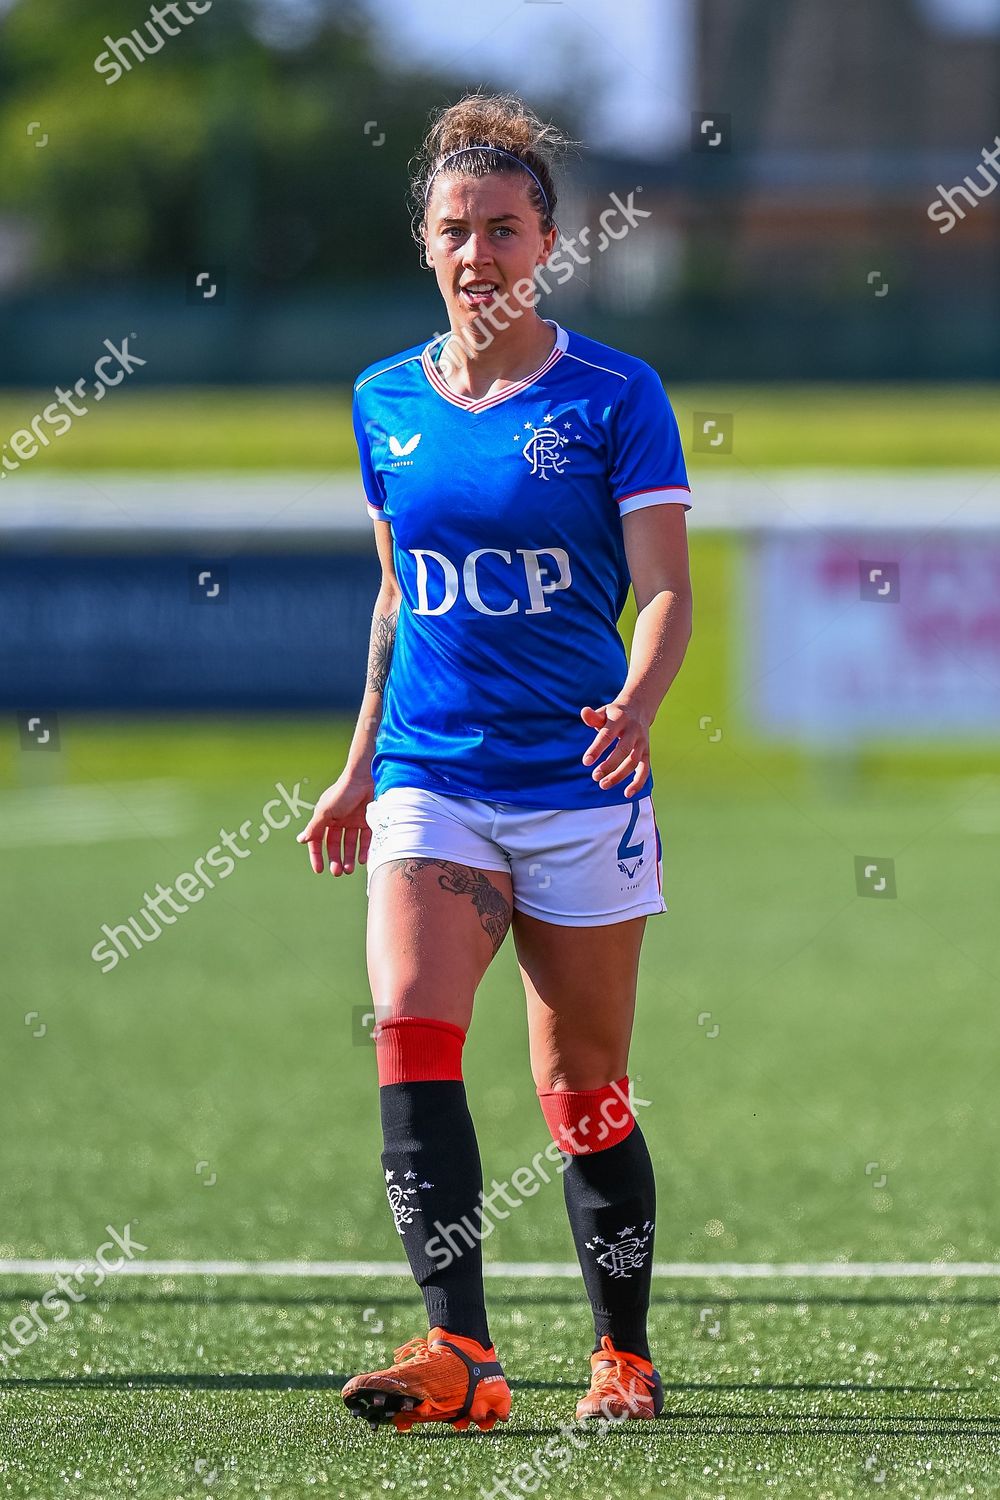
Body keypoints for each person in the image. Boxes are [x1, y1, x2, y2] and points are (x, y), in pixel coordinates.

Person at [298, 89, 692, 1433]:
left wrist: (639, 699)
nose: (482, 254)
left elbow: (668, 592)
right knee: (410, 1031)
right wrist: (359, 767)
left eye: (506, 231)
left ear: (551, 243)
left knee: (583, 1094)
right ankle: (459, 1353)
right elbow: (398, 596)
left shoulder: (614, 396)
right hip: (432, 776)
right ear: (426, 240)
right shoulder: (384, 401)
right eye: (458, 230)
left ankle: (622, 1358)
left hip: (580, 787)